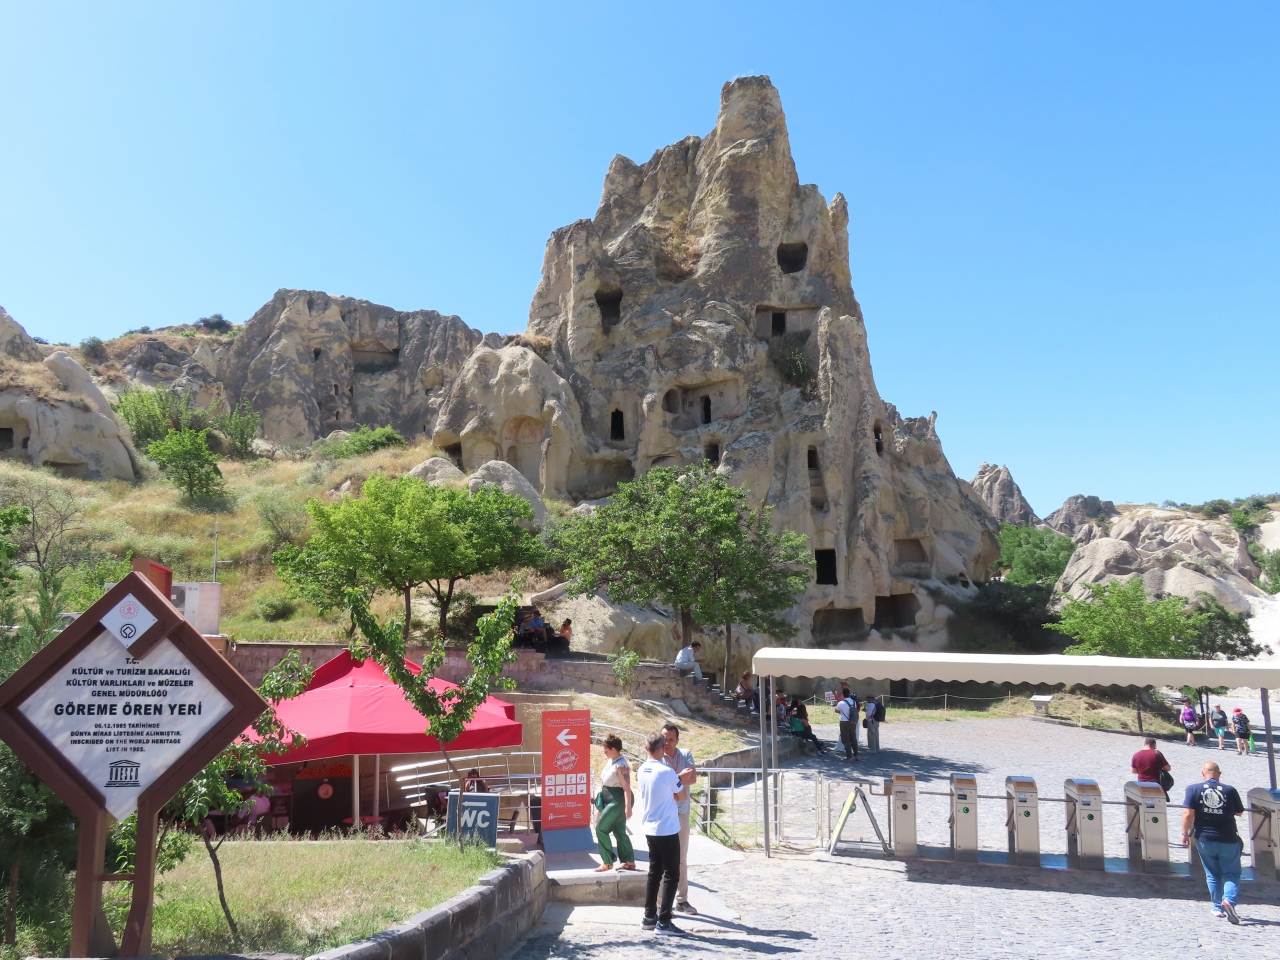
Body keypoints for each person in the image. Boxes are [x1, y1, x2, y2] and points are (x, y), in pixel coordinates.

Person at [637, 730, 692, 936]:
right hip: (667, 828)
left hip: (650, 828)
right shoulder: (666, 771)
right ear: (662, 748)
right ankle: (664, 921)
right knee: (671, 874)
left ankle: (649, 916)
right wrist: (679, 779)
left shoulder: (641, 770)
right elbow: (682, 795)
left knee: (654, 872)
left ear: (646, 748)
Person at [1182, 760, 1246, 923]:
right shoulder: (1230, 790)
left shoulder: (1193, 789)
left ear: (1202, 773)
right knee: (1231, 873)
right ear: (1219, 774)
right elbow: (1239, 812)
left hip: (1204, 839)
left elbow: (1188, 814)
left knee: (1212, 874)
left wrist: (1185, 833)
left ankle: (1217, 908)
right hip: (1228, 838)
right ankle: (1228, 900)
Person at [661, 723, 699, 915]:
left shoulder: (685, 754)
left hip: (682, 813)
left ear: (677, 740)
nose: (667, 743)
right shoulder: (657, 757)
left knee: (681, 859)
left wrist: (671, 781)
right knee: (662, 860)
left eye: (671, 739)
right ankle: (661, 903)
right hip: (664, 815)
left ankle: (681, 901)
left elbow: (692, 779)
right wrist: (678, 778)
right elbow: (660, 785)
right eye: (664, 739)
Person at [593, 735, 635, 872]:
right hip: (610, 800)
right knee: (619, 831)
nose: (604, 751)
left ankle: (607, 861)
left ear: (613, 749)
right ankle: (629, 861)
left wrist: (628, 807)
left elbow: (627, 788)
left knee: (601, 829)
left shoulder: (621, 765)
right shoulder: (611, 761)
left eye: (606, 749)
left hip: (617, 802)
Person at [835, 688, 859, 762]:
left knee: (846, 740)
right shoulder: (854, 702)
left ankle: (849, 757)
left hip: (844, 722)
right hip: (853, 722)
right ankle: (856, 755)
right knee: (853, 738)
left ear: (843, 694)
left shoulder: (841, 703)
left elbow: (836, 710)